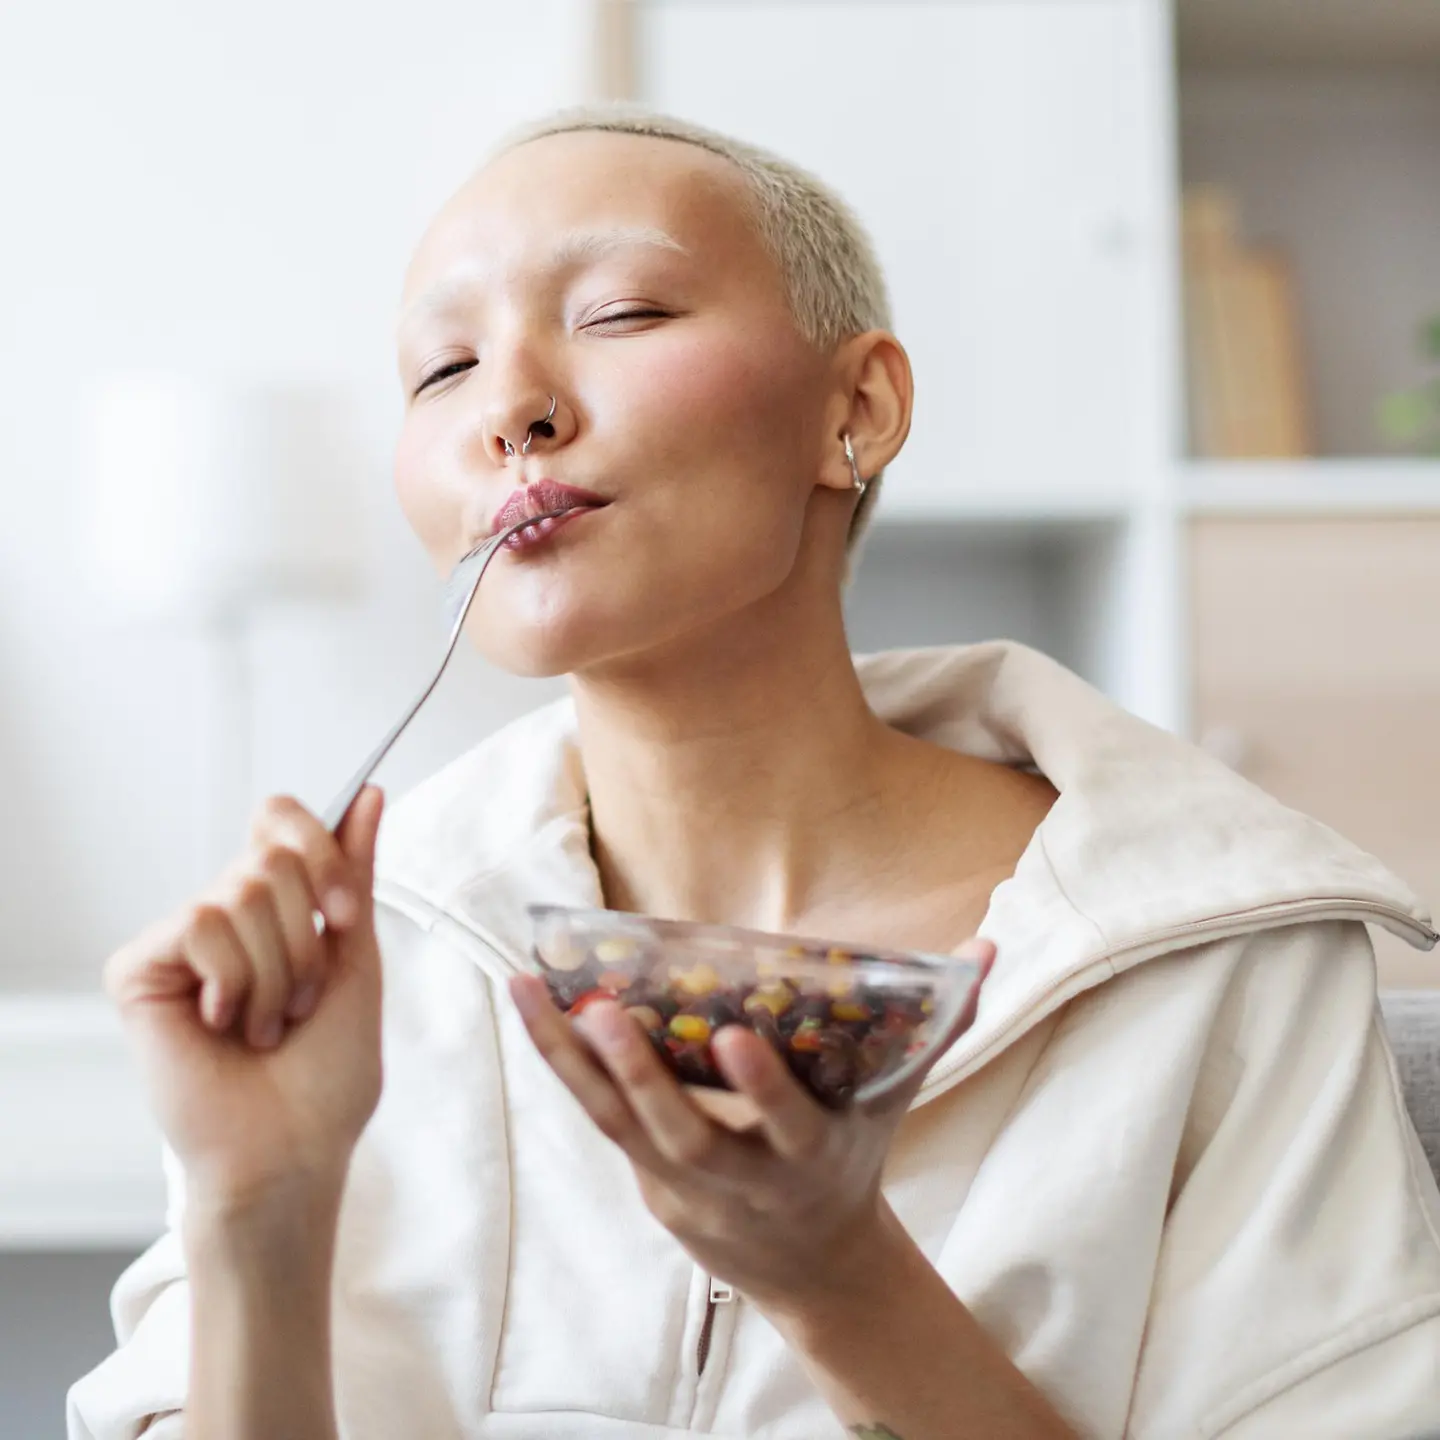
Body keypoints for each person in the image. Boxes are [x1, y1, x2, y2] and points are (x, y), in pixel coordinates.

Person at [70, 106, 1440, 1440]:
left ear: (860, 406)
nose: (513, 411)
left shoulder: (1221, 956)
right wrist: (259, 1213)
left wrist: (847, 1290)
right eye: (442, 369)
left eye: (619, 314)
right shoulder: (365, 968)